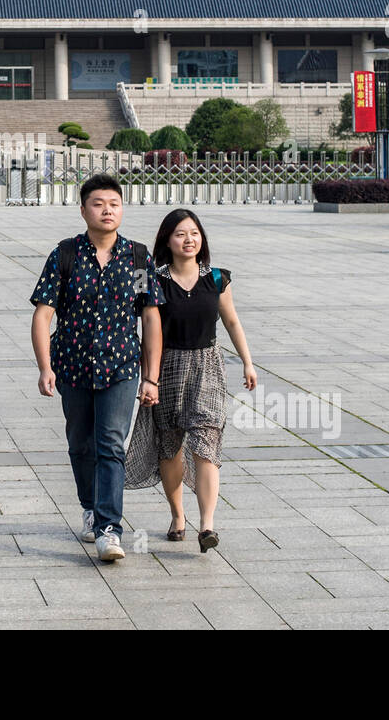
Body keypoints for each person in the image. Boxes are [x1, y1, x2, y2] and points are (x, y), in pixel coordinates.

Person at [29, 173, 164, 563]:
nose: (107, 210)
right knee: (80, 444)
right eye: (99, 203)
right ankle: (89, 506)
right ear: (84, 208)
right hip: (71, 366)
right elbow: (43, 316)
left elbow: (150, 318)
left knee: (109, 443)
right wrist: (44, 366)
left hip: (121, 368)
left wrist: (150, 376)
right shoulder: (65, 254)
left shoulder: (138, 258)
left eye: (114, 204)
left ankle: (109, 527)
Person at [125, 208, 257, 553]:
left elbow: (231, 322)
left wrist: (248, 362)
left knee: (207, 441)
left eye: (194, 233)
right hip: (166, 366)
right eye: (181, 234)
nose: (189, 240)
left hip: (207, 367)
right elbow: (141, 327)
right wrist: (145, 376)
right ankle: (178, 515)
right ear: (167, 239)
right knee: (170, 447)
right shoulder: (150, 278)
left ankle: (208, 524)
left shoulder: (216, 278)